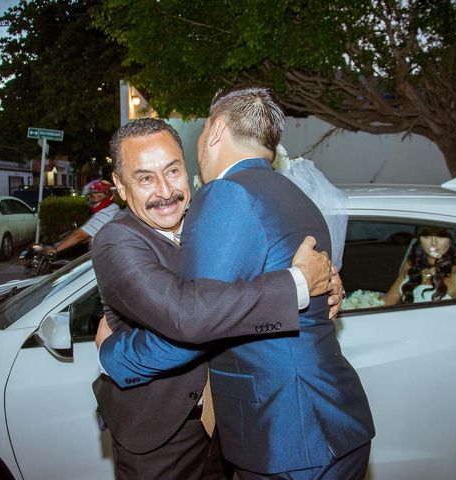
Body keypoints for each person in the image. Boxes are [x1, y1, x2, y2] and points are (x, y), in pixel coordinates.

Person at [98, 86, 375, 480]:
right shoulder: (118, 239)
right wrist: (297, 285)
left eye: (173, 170)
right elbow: (193, 317)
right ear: (121, 186)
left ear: (212, 133)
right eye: (144, 178)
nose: (165, 191)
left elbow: (205, 313)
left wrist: (325, 282)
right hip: (169, 430)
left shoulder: (226, 200)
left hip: (280, 428)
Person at [383, 226, 456, 304]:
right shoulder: (412, 264)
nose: (433, 243)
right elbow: (390, 299)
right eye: (426, 236)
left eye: (441, 236)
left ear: (450, 240)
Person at [44, 179, 120, 256]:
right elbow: (85, 235)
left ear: (107, 194)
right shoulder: (109, 210)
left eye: (95, 194)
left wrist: (56, 249)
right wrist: (58, 244)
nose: (91, 198)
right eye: (90, 195)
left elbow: (80, 235)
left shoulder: (107, 213)